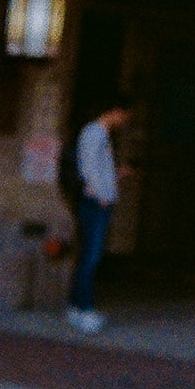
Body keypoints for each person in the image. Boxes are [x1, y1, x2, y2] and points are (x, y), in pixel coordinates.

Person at [67, 97, 134, 333]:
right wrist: (100, 194)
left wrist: (115, 176)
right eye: (124, 117)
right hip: (96, 202)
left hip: (98, 198)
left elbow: (96, 169)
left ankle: (77, 307)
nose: (123, 122)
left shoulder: (100, 134)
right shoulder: (95, 132)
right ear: (115, 111)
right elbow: (88, 167)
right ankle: (83, 309)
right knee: (91, 256)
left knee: (90, 255)